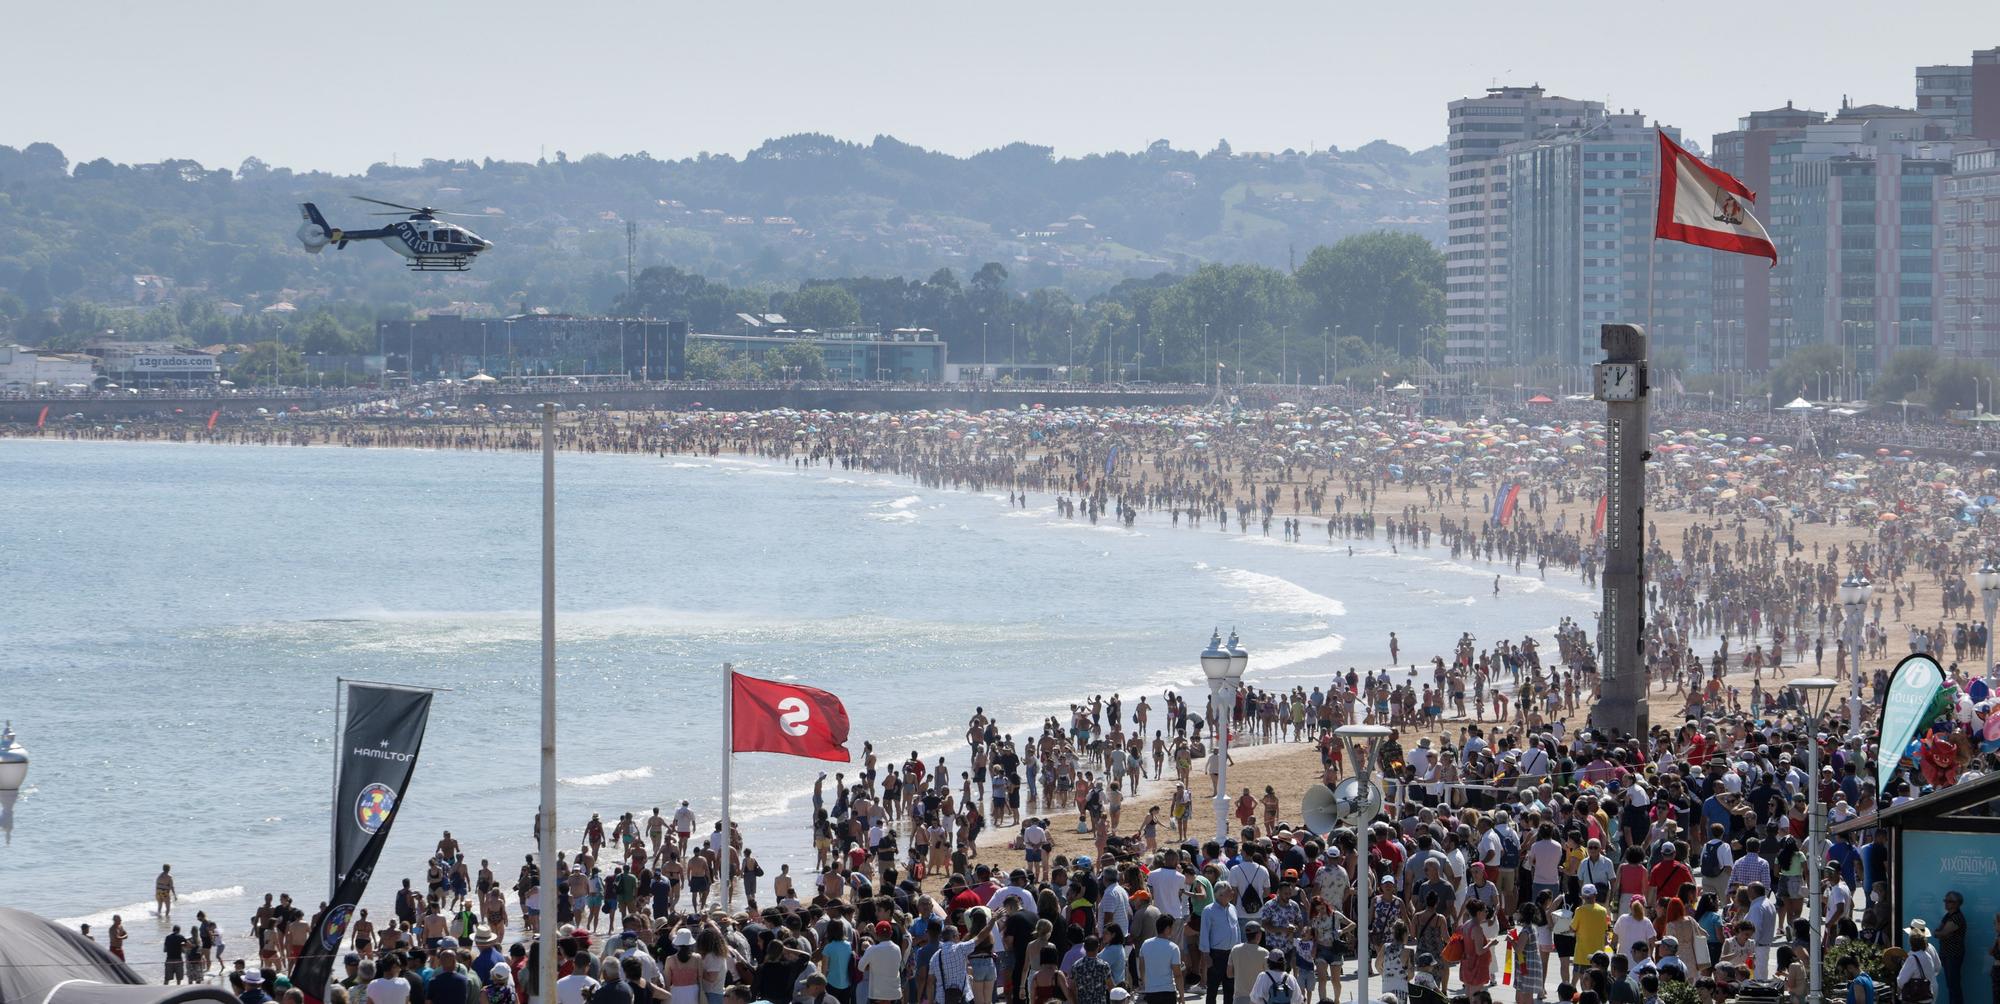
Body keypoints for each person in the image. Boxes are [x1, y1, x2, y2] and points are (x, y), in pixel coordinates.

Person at [1136, 916, 1183, 1004]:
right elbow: (1178, 975)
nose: (1174, 930)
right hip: (1168, 992)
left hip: (1151, 992)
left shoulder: (1145, 944)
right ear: (1167, 929)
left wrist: (1146, 985)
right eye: (1173, 927)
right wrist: (1182, 996)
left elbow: (1142, 968)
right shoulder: (1173, 948)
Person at [1899, 923, 1940, 1004]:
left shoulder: (1912, 957)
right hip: (1930, 990)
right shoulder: (1929, 951)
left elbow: (1901, 981)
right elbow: (1938, 968)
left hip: (1917, 995)